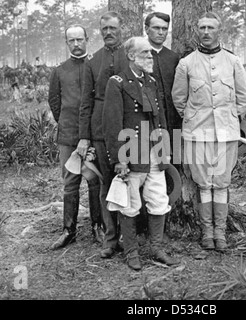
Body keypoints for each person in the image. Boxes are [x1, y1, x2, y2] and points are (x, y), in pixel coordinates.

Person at [172, 12, 246, 252]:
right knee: (204, 184)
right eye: (202, 27)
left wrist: (228, 116)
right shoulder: (186, 63)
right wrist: (194, 118)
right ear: (197, 30)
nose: (206, 32)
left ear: (220, 32)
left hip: (226, 134)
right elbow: (179, 99)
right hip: (198, 133)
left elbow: (244, 97)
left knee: (222, 182)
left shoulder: (233, 61)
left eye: (211, 28)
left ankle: (221, 233)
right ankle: (207, 233)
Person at [102, 36, 180, 271]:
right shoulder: (116, 83)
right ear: (132, 56)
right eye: (145, 53)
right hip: (131, 153)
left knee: (158, 200)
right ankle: (131, 251)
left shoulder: (152, 81)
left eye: (150, 53)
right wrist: (119, 160)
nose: (150, 56)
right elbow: (112, 124)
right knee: (130, 205)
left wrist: (164, 149)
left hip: (154, 153)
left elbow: (160, 118)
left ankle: (156, 248)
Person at [77, 12, 129, 259]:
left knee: (131, 182)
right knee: (106, 183)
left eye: (112, 28)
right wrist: (84, 136)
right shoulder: (92, 61)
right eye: (104, 28)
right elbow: (85, 102)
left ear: (121, 29)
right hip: (100, 132)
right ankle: (110, 238)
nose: (108, 32)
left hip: (128, 129)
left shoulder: (130, 55)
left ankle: (128, 237)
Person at [48, 25, 104, 250]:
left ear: (87, 40)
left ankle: (97, 227)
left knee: (94, 180)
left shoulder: (95, 67)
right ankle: (68, 230)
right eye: (71, 41)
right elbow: (54, 102)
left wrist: (89, 133)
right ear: (66, 43)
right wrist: (68, 125)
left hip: (93, 134)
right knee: (70, 182)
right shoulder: (60, 70)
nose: (76, 44)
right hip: (68, 136)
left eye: (80, 39)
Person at [137, 12, 181, 238]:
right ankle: (141, 226)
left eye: (164, 29)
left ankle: (165, 225)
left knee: (168, 172)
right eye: (156, 28)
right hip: (144, 129)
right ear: (147, 29)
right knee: (144, 174)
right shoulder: (138, 56)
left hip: (171, 127)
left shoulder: (173, 58)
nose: (161, 33)